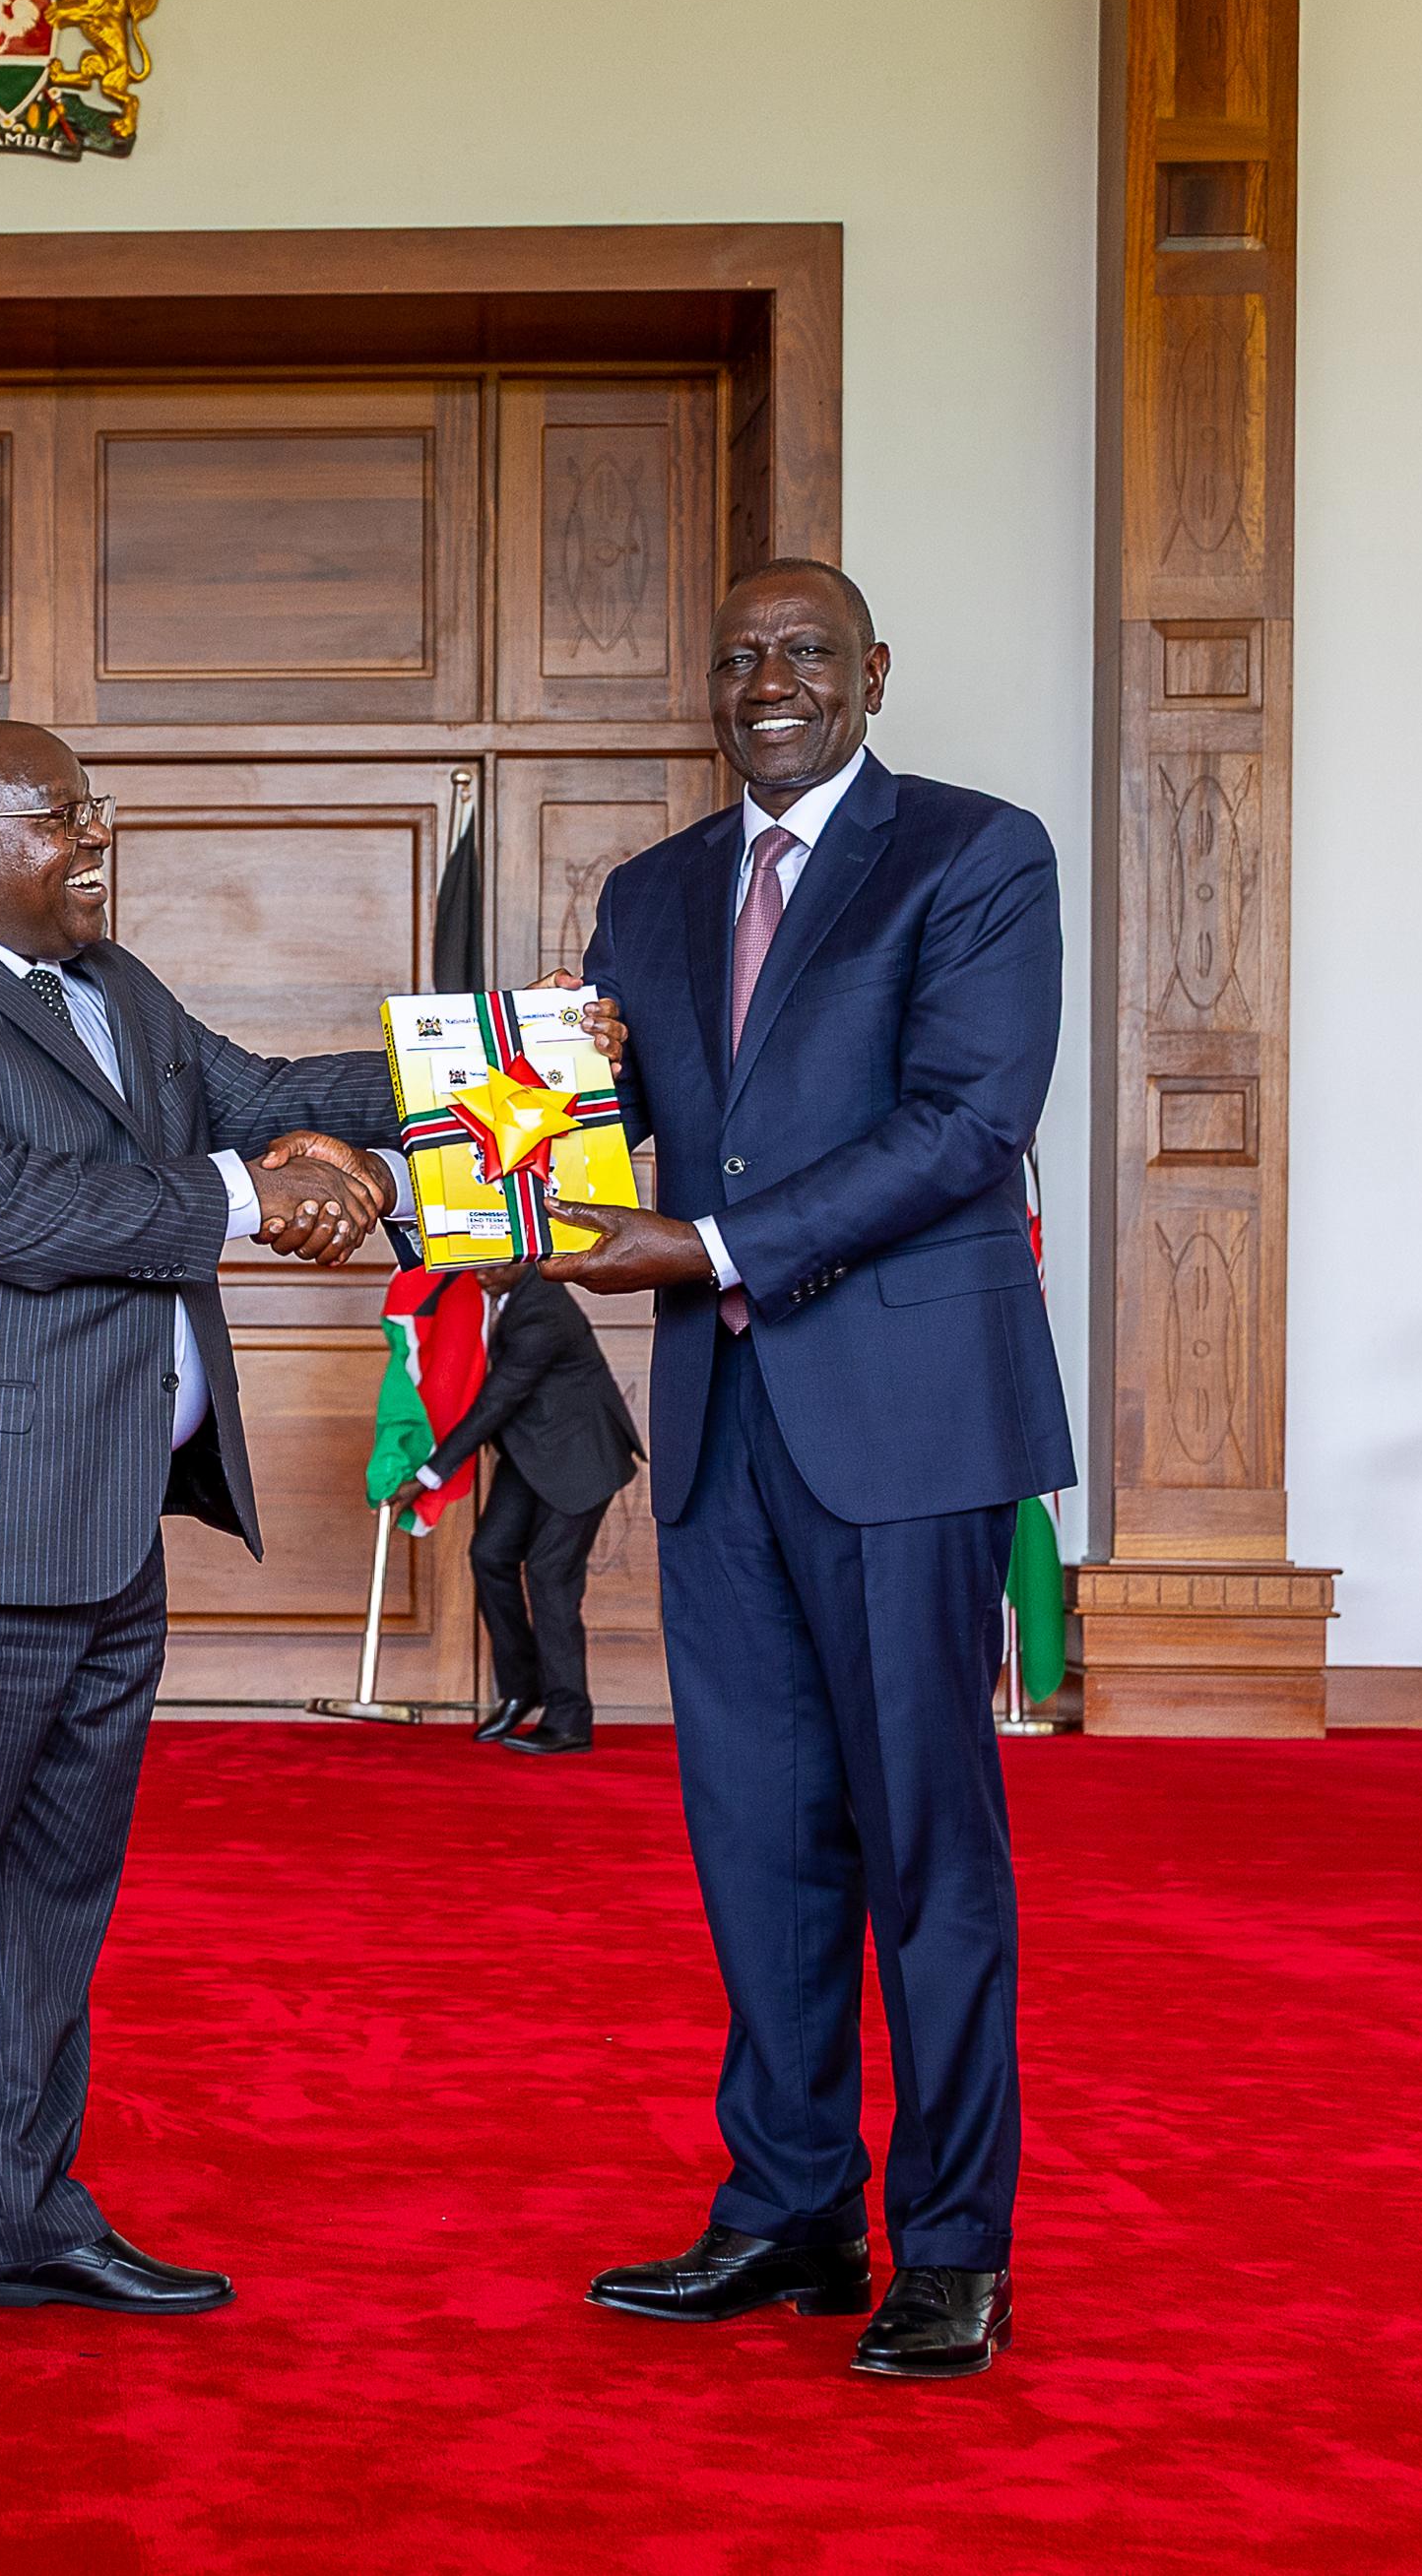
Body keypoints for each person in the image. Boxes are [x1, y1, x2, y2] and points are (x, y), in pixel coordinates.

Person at [0, 720, 406, 2349]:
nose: (95, 836)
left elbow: (281, 1094)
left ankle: (27, 2215)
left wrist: (544, 1061)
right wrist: (262, 1198)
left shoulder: (116, 989)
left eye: (93, 808)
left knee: (50, 1892)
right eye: (58, 818)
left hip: (102, 1530)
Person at [541, 557, 1070, 2383]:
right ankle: (788, 2206)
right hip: (723, 1426)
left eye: (804, 653)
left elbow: (967, 1125)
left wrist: (707, 1246)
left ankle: (951, 2246)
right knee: (758, 1838)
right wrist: (549, 1085)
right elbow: (614, 1141)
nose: (768, 679)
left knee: (927, 1842)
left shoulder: (977, 855)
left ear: (872, 673)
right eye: (739, 655)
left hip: (907, 1414)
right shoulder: (652, 892)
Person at [390, 1260, 640, 1755]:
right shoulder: (506, 1295)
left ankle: (570, 1720)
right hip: (533, 1453)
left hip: (580, 1459)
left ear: (522, 1259)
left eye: (491, 1264)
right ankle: (522, 1688)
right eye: (473, 1263)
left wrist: (427, 1476)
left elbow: (494, 1403)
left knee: (550, 1578)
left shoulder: (542, 1314)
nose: (479, 1273)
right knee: (489, 1555)